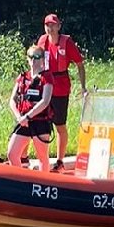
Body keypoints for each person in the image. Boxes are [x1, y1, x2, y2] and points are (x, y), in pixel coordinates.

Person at [36, 13, 86, 171]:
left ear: (59, 26)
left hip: (61, 86)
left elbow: (79, 64)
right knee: (39, 122)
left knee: (60, 125)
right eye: (47, 25)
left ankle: (60, 161)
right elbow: (35, 61)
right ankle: (42, 160)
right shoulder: (42, 41)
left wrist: (83, 86)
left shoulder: (67, 42)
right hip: (45, 84)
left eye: (53, 25)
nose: (50, 28)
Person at [7, 46, 54, 170]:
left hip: (40, 121)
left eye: (37, 57)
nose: (34, 61)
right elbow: (12, 100)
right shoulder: (22, 77)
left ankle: (44, 183)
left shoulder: (46, 77)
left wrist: (28, 116)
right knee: (12, 154)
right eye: (31, 57)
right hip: (24, 121)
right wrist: (19, 117)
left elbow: (45, 101)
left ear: (43, 59)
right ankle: (19, 181)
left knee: (42, 157)